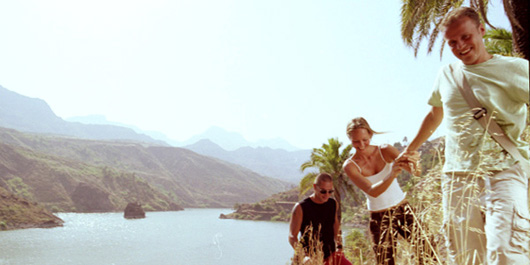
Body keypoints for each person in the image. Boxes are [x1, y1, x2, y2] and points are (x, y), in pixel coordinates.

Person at [400, 6, 530, 265]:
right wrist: (411, 148)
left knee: (507, 252)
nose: (460, 46)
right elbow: (435, 114)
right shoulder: (448, 75)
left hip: (504, 171)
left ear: (481, 31)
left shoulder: (515, 69)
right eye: (452, 42)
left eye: (466, 37)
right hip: (457, 178)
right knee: (465, 258)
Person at [342, 117, 436, 265]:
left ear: (371, 135)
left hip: (403, 210)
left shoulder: (385, 150)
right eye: (355, 141)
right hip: (379, 218)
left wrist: (415, 161)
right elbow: (372, 191)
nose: (361, 145)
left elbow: (416, 172)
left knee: (428, 251)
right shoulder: (350, 166)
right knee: (385, 262)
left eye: (364, 139)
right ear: (349, 139)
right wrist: (391, 174)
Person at [288, 172, 352, 265]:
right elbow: (292, 237)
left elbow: (335, 225)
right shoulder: (301, 207)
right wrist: (304, 256)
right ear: (315, 187)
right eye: (323, 191)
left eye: (330, 191)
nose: (327, 194)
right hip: (309, 259)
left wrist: (339, 247)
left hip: (331, 256)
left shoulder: (333, 204)